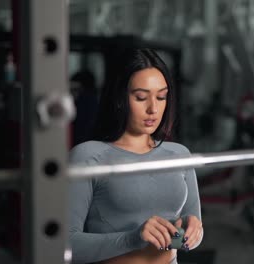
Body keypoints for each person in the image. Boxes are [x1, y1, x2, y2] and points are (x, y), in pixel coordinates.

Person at [69, 48, 203, 264]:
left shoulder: (179, 155)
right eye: (141, 97)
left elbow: (182, 243)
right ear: (120, 98)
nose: (153, 109)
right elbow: (64, 247)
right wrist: (132, 238)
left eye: (161, 97)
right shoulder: (88, 156)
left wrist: (190, 233)